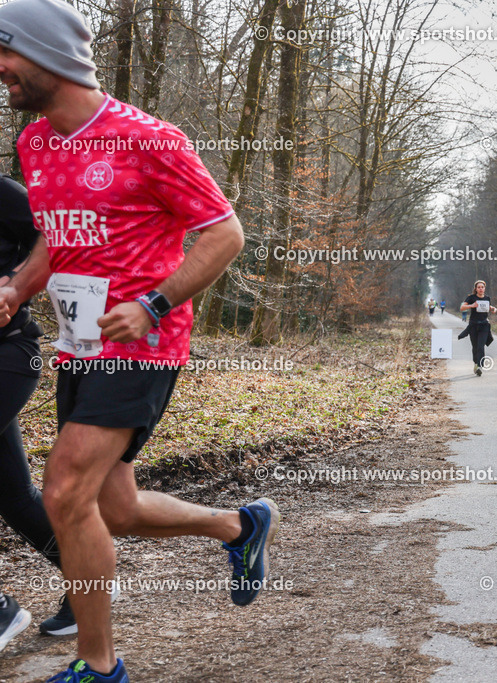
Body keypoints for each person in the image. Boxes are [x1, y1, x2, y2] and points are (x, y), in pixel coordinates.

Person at [0, 1, 279, 680]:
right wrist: (16, 286)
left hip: (145, 342)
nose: (1, 73)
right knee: (112, 508)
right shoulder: (34, 144)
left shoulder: (149, 138)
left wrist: (153, 304)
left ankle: (99, 666)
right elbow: (55, 236)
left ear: (47, 56)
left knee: (64, 491)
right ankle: (239, 526)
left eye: (5, 56)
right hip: (80, 343)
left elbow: (224, 232)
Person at [0, 173, 79, 635]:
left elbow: (56, 236)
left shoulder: (3, 193)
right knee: (13, 496)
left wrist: (14, 282)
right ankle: (89, 577)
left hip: (8, 353)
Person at [458, 281, 497, 376]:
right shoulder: (471, 297)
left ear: (484, 288)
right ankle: (476, 363)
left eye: (482, 287)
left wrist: (493, 308)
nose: (480, 289)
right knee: (475, 347)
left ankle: (480, 366)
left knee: (481, 346)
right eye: (478, 287)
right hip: (473, 326)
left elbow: (487, 306)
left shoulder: (487, 298)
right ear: (476, 289)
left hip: (484, 325)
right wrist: (472, 305)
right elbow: (462, 308)